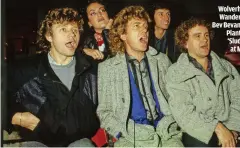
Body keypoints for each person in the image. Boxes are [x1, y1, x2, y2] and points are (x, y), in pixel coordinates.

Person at [7, 7, 99, 147]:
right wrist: (17, 118)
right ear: (49, 36)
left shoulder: (91, 69)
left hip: (79, 141)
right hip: (38, 141)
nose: (72, 35)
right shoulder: (25, 70)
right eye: (63, 29)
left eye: (75, 30)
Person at [97, 5, 184, 147]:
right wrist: (121, 132)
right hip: (130, 138)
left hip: (166, 133)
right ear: (123, 34)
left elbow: (176, 99)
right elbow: (104, 112)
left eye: (145, 26)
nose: (144, 30)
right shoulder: (107, 69)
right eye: (137, 26)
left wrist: (174, 124)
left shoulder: (162, 61)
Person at [166, 18, 240, 147]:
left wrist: (234, 130)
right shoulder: (175, 72)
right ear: (185, 43)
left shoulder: (226, 67)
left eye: (206, 35)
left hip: (231, 127)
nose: (205, 40)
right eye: (197, 36)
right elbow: (183, 112)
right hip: (197, 132)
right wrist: (217, 128)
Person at [80, 0, 113, 66]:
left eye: (102, 10)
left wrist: (107, 31)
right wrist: (83, 51)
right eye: (93, 13)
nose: (99, 14)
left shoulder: (122, 34)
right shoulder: (86, 42)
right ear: (89, 23)